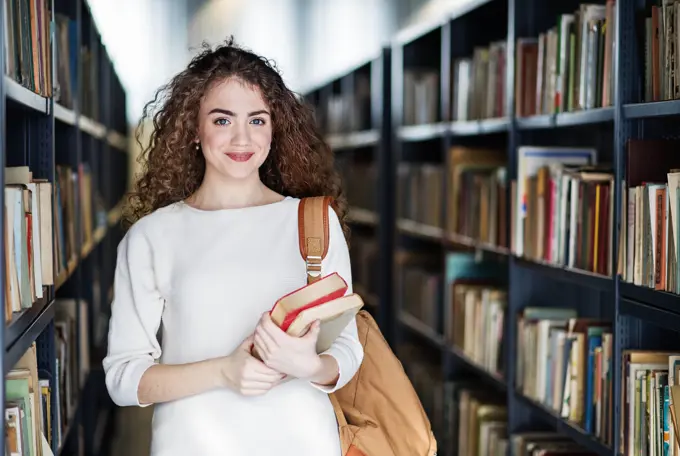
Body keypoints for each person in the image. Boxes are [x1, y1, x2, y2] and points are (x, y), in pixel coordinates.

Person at [102, 37, 364, 456]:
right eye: (222, 120)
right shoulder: (151, 237)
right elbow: (123, 377)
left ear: (274, 128)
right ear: (193, 130)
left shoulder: (314, 221)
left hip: (304, 443)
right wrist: (224, 372)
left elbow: (348, 346)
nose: (242, 138)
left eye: (257, 121)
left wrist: (311, 366)